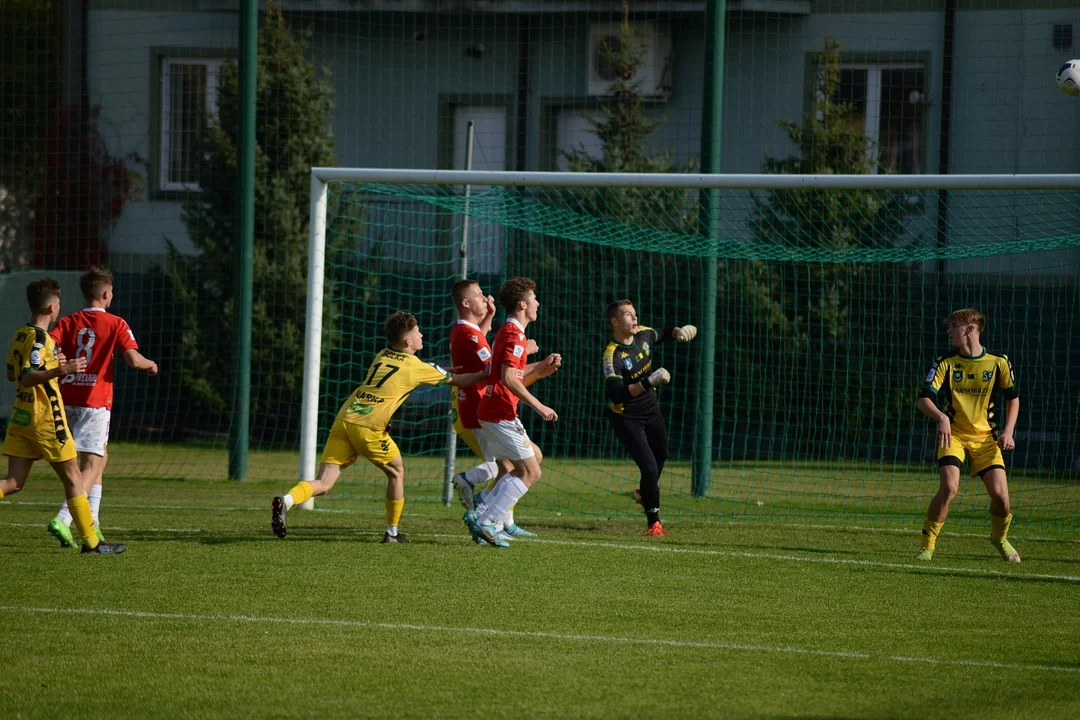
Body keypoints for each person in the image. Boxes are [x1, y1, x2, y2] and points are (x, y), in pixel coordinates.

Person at [271, 311, 487, 543]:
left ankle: (287, 500)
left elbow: (401, 377)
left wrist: (438, 371)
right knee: (397, 472)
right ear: (408, 341)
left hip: (345, 418)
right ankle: (392, 533)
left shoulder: (383, 355)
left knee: (324, 482)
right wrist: (490, 373)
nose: (421, 334)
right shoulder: (416, 366)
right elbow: (459, 381)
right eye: (417, 332)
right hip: (368, 427)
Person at [0, 277, 125, 554]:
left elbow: (12, 374)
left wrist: (55, 362)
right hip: (46, 420)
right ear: (50, 308)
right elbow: (28, 375)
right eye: (57, 303)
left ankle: (91, 540)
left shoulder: (20, 334)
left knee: (13, 483)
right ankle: (92, 543)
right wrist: (61, 370)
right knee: (74, 480)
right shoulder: (40, 339)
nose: (59, 308)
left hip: (21, 418)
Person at [46, 266, 158, 548]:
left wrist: (57, 357)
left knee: (99, 459)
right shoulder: (116, 323)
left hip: (65, 399)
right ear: (107, 294)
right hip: (95, 403)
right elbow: (133, 359)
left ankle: (92, 522)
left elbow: (48, 345)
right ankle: (64, 517)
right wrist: (151, 365)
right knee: (92, 465)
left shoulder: (69, 320)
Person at [448, 278, 557, 540]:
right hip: (496, 410)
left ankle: (488, 516)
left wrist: (539, 369)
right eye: (534, 299)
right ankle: (487, 517)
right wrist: (539, 405)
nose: (538, 303)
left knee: (526, 462)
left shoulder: (506, 332)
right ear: (523, 304)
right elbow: (506, 378)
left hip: (495, 409)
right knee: (527, 470)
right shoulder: (512, 334)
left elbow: (504, 373)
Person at [916, 308, 1020, 563]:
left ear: (970, 329)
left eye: (954, 326)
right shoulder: (946, 363)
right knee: (949, 487)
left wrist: (1007, 432)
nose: (949, 331)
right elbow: (924, 399)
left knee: (1002, 499)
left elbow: (1013, 399)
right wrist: (941, 417)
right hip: (955, 437)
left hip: (986, 440)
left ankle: (999, 538)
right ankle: (928, 547)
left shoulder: (999, 362)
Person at [602, 300, 696, 536]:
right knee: (650, 468)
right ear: (615, 321)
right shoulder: (612, 355)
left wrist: (680, 332)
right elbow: (617, 394)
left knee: (662, 454)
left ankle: (644, 493)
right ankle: (654, 523)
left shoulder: (642, 334)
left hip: (651, 411)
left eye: (634, 314)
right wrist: (649, 382)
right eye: (627, 315)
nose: (634, 319)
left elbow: (663, 332)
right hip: (627, 418)